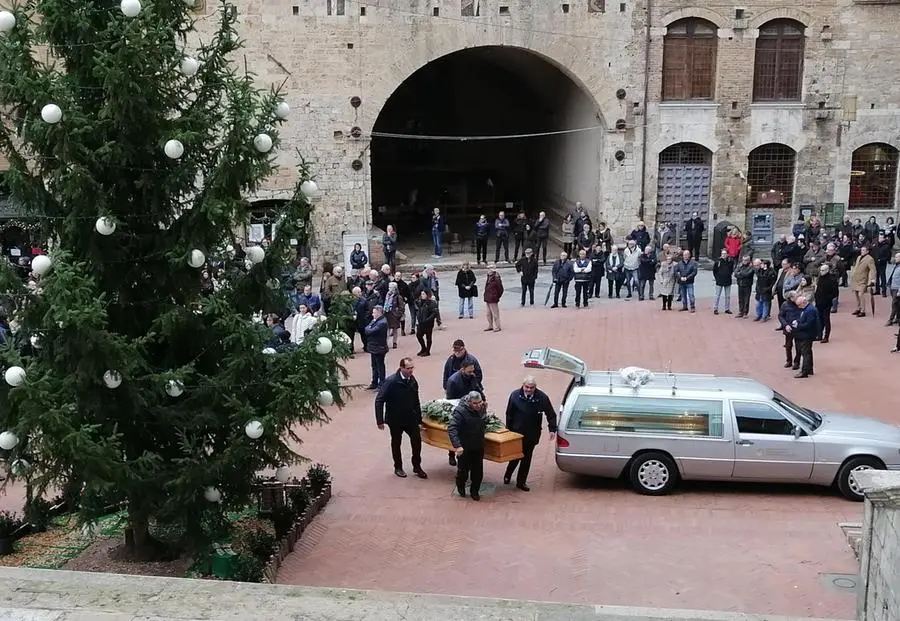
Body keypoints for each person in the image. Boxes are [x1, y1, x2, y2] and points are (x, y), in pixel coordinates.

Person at [375, 357, 427, 479]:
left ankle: (417, 466)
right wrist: (380, 420)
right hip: (395, 419)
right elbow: (379, 400)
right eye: (408, 368)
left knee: (416, 441)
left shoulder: (412, 380)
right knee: (396, 442)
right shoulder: (391, 382)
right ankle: (398, 467)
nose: (411, 371)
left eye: (412, 368)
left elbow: (416, 401)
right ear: (401, 368)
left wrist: (419, 420)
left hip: (410, 418)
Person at [502, 376, 556, 492]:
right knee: (515, 456)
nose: (529, 390)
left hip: (532, 434)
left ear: (535, 387)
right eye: (527, 387)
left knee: (526, 459)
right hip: (516, 433)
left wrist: (552, 429)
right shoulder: (515, 396)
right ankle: (508, 474)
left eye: (531, 388)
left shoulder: (542, 398)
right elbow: (509, 414)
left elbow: (551, 414)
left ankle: (521, 482)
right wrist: (508, 430)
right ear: (523, 385)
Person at [442, 339, 484, 466]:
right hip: (456, 399)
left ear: (464, 349)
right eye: (455, 350)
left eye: (459, 350)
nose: (457, 353)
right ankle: (452, 452)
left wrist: (481, 398)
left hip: (470, 399)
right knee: (455, 426)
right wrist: (447, 387)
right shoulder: (451, 362)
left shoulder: (472, 362)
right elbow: (446, 377)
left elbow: (478, 380)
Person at [448, 391, 487, 501]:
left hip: (478, 445)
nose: (478, 405)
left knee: (478, 471)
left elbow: (483, 421)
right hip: (465, 447)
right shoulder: (460, 412)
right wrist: (457, 445)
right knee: (463, 471)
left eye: (480, 402)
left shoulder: (481, 408)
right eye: (475, 403)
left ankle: (475, 491)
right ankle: (460, 485)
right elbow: (452, 428)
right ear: (469, 402)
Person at [791, 296, 818, 378]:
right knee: (808, 352)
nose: (798, 307)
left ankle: (804, 371)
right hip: (807, 333)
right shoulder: (807, 309)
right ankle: (809, 369)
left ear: (803, 303)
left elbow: (808, 324)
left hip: (807, 334)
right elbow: (803, 319)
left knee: (805, 353)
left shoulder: (810, 310)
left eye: (799, 305)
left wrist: (798, 325)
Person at [364, 305, 389, 389]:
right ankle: (374, 382)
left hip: (379, 348)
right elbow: (367, 328)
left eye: (374, 313)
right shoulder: (375, 320)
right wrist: (369, 328)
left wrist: (369, 329)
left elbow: (370, 331)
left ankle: (382, 384)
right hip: (374, 347)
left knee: (380, 366)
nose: (372, 314)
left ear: (379, 313)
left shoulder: (382, 323)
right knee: (374, 366)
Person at [815, 264, 839, 343]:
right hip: (819, 303)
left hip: (826, 304)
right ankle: (819, 335)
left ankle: (826, 336)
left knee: (826, 320)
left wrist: (828, 299)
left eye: (823, 270)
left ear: (827, 270)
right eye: (821, 270)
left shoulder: (832, 279)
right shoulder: (820, 278)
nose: (821, 272)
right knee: (819, 320)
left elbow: (835, 293)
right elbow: (818, 290)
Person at [850, 245, 877, 317]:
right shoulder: (859, 257)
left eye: (864, 250)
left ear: (867, 251)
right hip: (856, 278)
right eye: (861, 250)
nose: (862, 251)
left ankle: (863, 311)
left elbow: (873, 269)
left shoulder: (870, 259)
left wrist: (872, 279)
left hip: (863, 279)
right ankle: (858, 308)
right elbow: (856, 266)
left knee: (860, 294)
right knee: (856, 294)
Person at [779, 291, 802, 371]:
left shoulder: (799, 304)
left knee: (798, 346)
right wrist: (785, 325)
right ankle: (789, 361)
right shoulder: (785, 305)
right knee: (788, 345)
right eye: (796, 297)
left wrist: (798, 322)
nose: (797, 298)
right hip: (788, 328)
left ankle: (797, 362)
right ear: (791, 298)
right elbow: (781, 316)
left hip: (798, 328)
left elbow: (803, 314)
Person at [415, 290, 439, 356]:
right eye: (421, 294)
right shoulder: (420, 302)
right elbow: (418, 310)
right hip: (421, 322)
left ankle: (427, 351)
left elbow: (434, 313)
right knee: (418, 335)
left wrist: (428, 319)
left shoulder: (432, 303)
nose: (422, 295)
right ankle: (423, 348)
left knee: (428, 337)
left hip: (428, 323)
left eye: (423, 294)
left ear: (427, 295)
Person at [712, 249, 734, 315]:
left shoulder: (730, 261)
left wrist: (729, 274)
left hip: (727, 280)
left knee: (727, 296)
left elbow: (731, 270)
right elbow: (714, 271)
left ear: (727, 254)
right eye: (722, 254)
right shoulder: (717, 262)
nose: (724, 255)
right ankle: (715, 309)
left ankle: (727, 309)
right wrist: (717, 278)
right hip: (719, 280)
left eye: (725, 254)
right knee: (717, 295)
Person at [483, 264, 504, 332]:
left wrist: (497, 296)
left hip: (493, 298)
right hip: (487, 297)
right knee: (488, 313)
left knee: (495, 313)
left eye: (489, 269)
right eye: (488, 269)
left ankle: (498, 326)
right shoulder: (489, 277)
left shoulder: (496, 278)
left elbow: (500, 289)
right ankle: (490, 325)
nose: (488, 270)